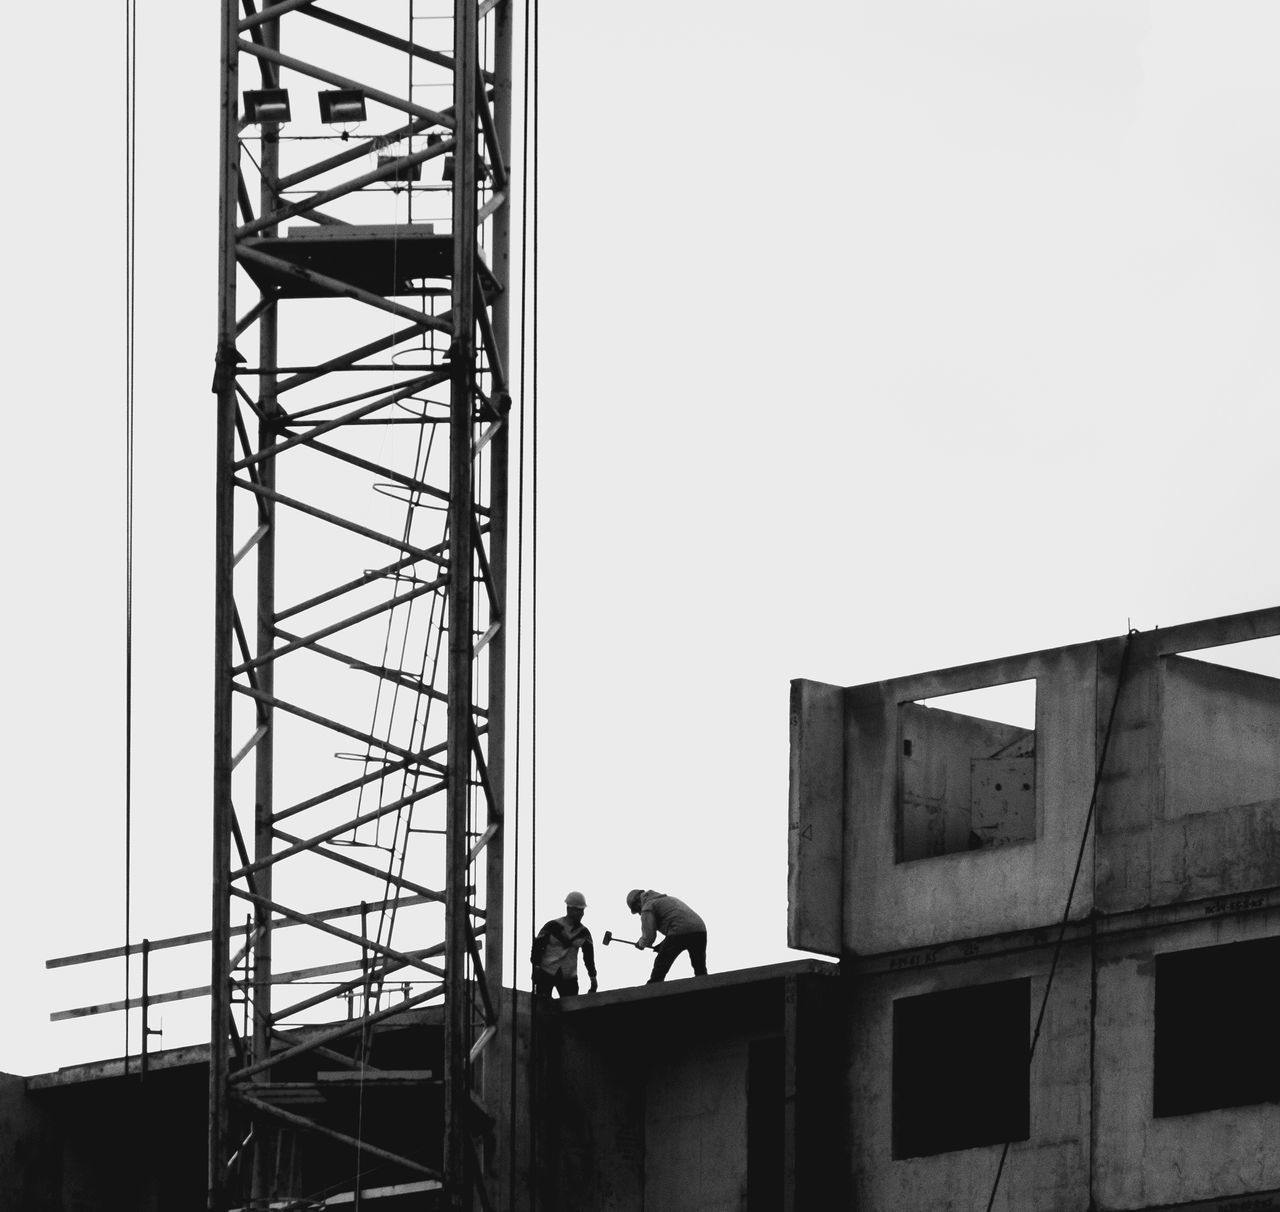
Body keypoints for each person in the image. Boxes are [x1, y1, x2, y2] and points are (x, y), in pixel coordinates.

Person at [626, 888, 708, 983]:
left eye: (637, 910)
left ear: (637, 903)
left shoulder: (648, 906)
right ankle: (706, 986)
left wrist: (641, 944)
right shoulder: (666, 899)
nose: (639, 913)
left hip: (679, 931)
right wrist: (662, 946)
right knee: (699, 967)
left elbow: (649, 936)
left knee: (661, 963)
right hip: (700, 930)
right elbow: (677, 922)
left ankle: (653, 988)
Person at [530, 891, 598, 999]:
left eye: (582, 910)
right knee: (541, 1007)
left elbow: (589, 957)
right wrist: (536, 966)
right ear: (569, 909)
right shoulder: (551, 926)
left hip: (568, 976)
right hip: (546, 972)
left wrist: (593, 977)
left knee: (571, 1010)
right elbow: (537, 947)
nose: (582, 913)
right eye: (578, 910)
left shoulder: (584, 933)